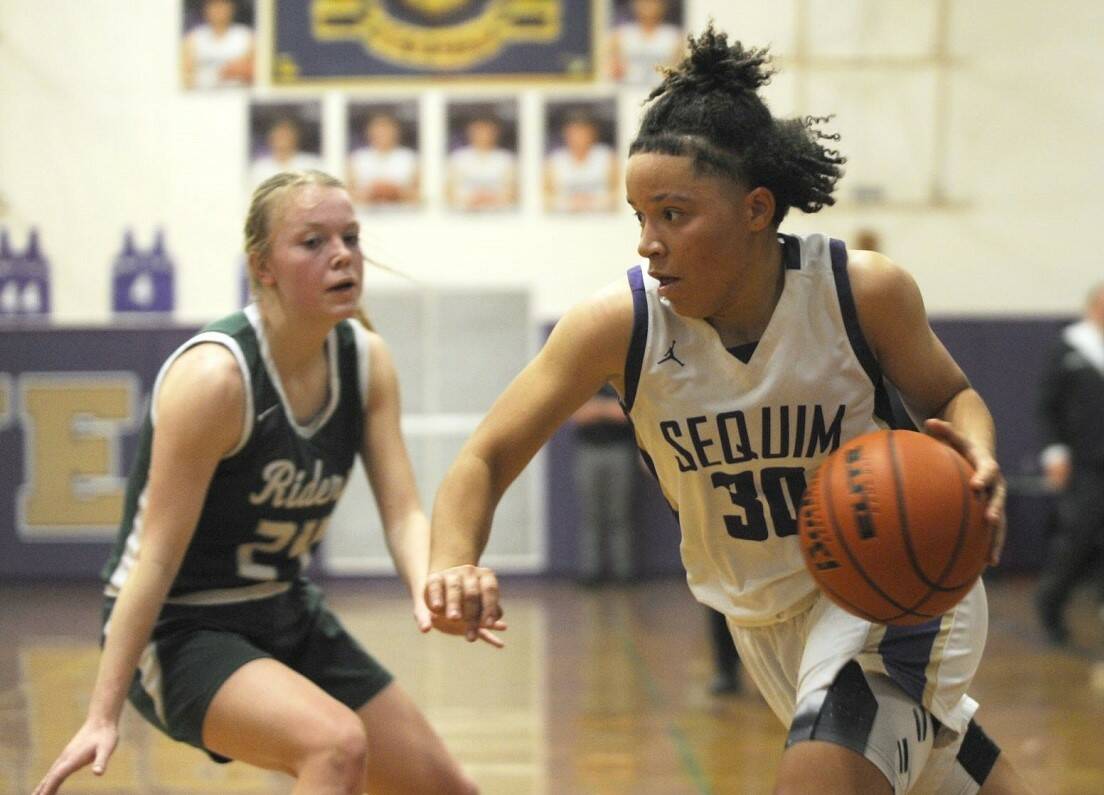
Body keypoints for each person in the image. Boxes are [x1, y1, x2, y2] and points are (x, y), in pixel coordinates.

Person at [425, 27, 1034, 794]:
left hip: (890, 588)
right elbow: (484, 455)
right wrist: (452, 559)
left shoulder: (859, 291)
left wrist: (976, 454)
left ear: (755, 208)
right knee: (949, 775)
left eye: (674, 214)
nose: (649, 242)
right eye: (638, 215)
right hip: (761, 620)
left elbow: (952, 396)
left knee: (817, 778)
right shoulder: (618, 325)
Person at [33, 171, 498, 795]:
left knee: (446, 789)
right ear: (263, 266)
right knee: (334, 746)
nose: (342, 255)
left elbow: (403, 514)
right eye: (312, 241)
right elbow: (154, 558)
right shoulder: (216, 380)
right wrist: (101, 712)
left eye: (351, 237)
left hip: (284, 610)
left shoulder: (367, 359)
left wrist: (427, 591)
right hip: (178, 628)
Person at [1035, 282, 1104, 646]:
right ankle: (1050, 605)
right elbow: (1047, 406)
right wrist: (1055, 452)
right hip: (1086, 463)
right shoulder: (1070, 349)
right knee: (1079, 536)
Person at [571, 384, 638, 584]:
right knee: (591, 514)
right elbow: (579, 415)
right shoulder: (584, 380)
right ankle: (590, 572)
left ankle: (624, 571)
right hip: (589, 451)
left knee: (621, 512)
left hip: (620, 451)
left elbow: (625, 414)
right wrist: (608, 408)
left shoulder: (620, 383)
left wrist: (597, 408)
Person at [544, 110, 618, 213]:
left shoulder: (606, 157)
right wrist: (570, 203)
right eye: (575, 132)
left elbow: (619, 192)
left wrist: (592, 201)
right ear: (566, 133)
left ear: (593, 132)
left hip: (601, 219)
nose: (579, 136)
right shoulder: (555, 161)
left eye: (583, 131)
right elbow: (544, 198)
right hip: (564, 220)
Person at [446, 112, 517, 212]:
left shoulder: (505, 159)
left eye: (487, 130)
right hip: (463, 214)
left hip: (500, 214)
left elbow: (512, 191)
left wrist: (490, 199)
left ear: (496, 132)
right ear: (470, 131)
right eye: (478, 130)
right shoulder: (458, 158)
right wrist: (472, 199)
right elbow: (449, 191)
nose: (483, 134)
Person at [347, 112, 420, 209]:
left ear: (396, 132)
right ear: (369, 132)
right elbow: (347, 195)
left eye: (387, 129)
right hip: (366, 214)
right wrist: (372, 193)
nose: (382, 134)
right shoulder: (358, 158)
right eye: (378, 129)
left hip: (404, 215)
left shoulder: (409, 158)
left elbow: (420, 195)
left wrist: (396, 192)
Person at [606, 0, 684, 86]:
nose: (648, 7)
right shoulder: (620, 36)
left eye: (653, 2)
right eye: (643, 2)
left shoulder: (674, 37)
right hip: (628, 92)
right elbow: (610, 70)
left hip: (662, 92)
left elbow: (679, 71)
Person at [181, 0, 254, 90]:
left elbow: (257, 73)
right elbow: (184, 76)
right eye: (214, 5)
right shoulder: (193, 38)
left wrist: (240, 71)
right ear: (206, 9)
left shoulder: (246, 37)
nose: (218, 10)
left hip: (237, 95)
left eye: (223, 5)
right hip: (201, 96)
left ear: (231, 8)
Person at [249, 117, 324, 187]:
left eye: (286, 135)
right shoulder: (260, 168)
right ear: (271, 138)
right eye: (279, 135)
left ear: (295, 137)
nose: (282, 140)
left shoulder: (311, 164)